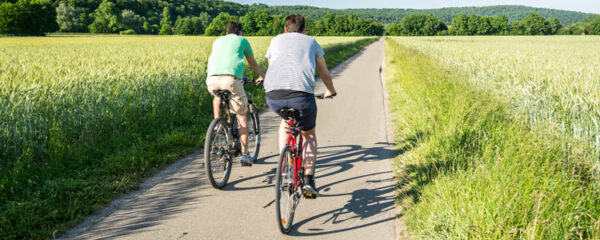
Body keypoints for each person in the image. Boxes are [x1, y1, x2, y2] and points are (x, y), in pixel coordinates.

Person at [264, 14, 336, 197]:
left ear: (285, 29)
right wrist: (330, 90)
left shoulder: (275, 40)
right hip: (301, 96)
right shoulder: (311, 42)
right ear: (304, 30)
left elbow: (271, 65)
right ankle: (308, 180)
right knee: (308, 134)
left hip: (273, 95)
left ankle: (286, 168)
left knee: (285, 123)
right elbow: (324, 73)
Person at [206, 21, 265, 165]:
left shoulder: (217, 40)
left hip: (211, 80)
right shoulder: (242, 40)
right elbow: (253, 63)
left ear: (227, 32)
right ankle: (245, 155)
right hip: (231, 80)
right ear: (240, 32)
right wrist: (263, 76)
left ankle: (218, 124)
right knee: (241, 115)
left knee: (216, 96)